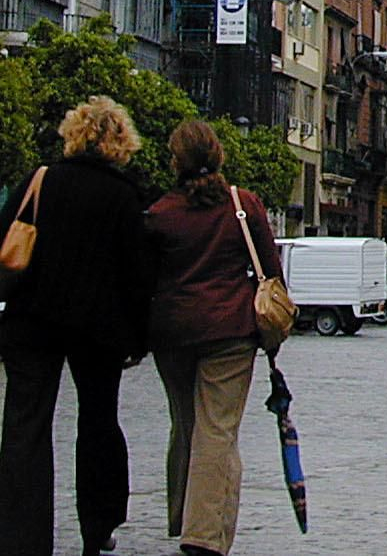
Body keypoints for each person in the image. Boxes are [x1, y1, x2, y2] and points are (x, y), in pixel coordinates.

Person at [0, 96, 150, 556]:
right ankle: (97, 526)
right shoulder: (124, 195)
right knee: (99, 421)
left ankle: (21, 537)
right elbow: (137, 275)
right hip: (98, 329)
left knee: (25, 425)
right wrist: (138, 338)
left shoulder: (40, 180)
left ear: (72, 134)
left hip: (31, 321)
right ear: (121, 141)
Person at [145, 119, 283, 556]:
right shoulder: (242, 205)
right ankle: (203, 534)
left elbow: (144, 280)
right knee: (217, 430)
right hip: (230, 330)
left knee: (185, 423)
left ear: (176, 162)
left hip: (173, 333)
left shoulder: (160, 214)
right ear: (218, 155)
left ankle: (183, 516)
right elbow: (271, 268)